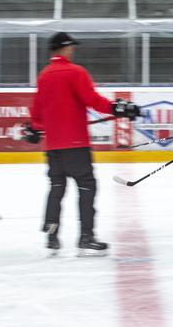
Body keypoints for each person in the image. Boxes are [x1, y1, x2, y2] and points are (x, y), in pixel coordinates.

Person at [24, 32, 141, 256]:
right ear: (65, 49)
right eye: (71, 47)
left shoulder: (44, 76)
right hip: (76, 144)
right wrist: (118, 107)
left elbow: (37, 113)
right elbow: (92, 100)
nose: (73, 51)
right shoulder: (75, 72)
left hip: (53, 147)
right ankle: (86, 237)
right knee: (87, 187)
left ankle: (52, 233)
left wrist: (34, 129)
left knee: (57, 188)